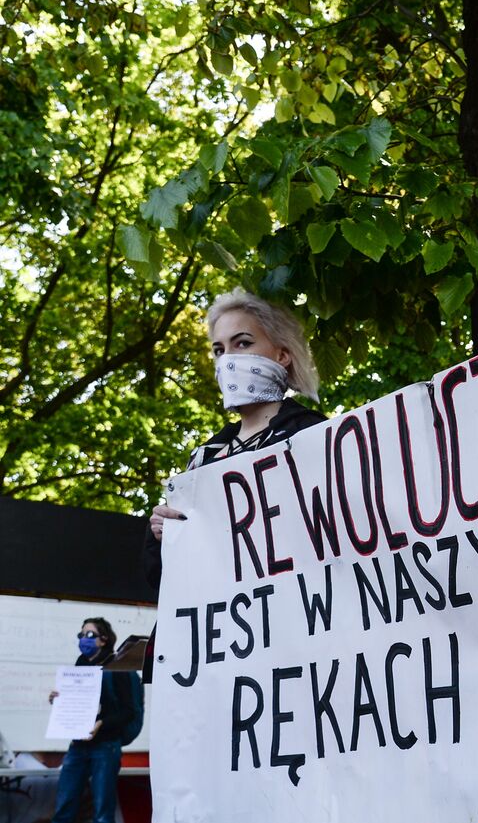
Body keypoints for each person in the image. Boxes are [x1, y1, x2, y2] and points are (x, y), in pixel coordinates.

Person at [141, 290, 326, 672]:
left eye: (242, 343)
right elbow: (163, 578)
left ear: (282, 354)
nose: (228, 360)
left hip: (296, 641)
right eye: (219, 350)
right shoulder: (204, 458)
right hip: (223, 652)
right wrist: (161, 534)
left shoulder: (316, 436)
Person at [47, 618, 134, 823]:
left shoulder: (118, 667)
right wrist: (59, 700)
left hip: (105, 746)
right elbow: (77, 700)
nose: (83, 640)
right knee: (64, 805)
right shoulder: (80, 663)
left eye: (89, 635)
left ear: (103, 640)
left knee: (103, 811)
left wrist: (101, 723)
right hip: (78, 744)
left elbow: (128, 711)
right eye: (81, 635)